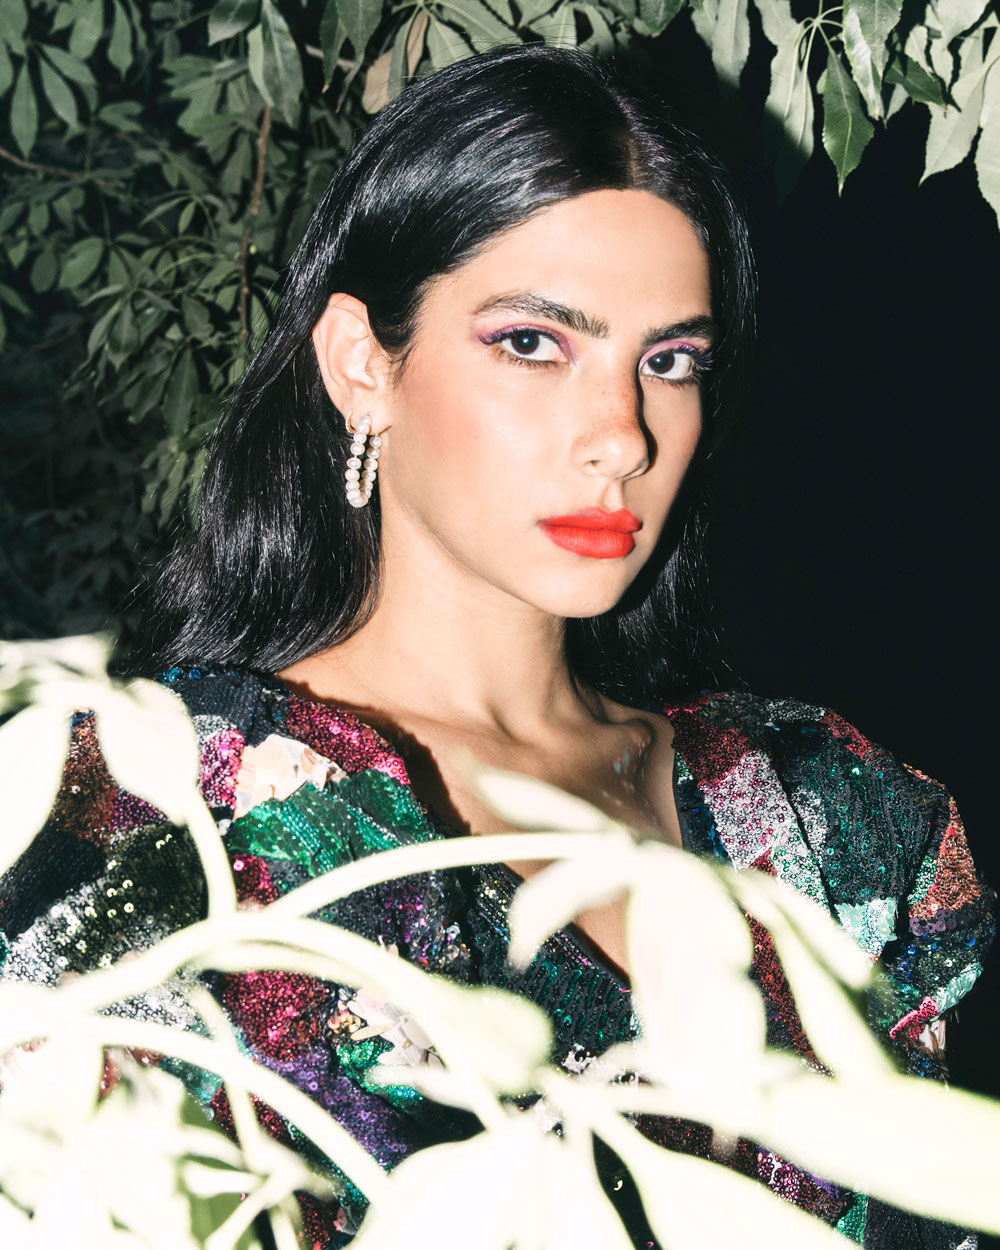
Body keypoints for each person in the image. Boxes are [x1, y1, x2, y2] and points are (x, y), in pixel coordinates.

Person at [0, 43, 992, 1249]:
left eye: (669, 361)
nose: (622, 435)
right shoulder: (165, 811)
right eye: (532, 342)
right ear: (362, 364)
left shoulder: (835, 818)